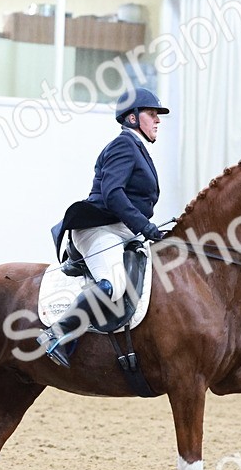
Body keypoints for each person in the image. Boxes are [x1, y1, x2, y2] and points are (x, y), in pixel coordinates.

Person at [38, 87, 170, 368]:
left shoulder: (138, 149)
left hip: (120, 230)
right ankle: (56, 334)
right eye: (151, 113)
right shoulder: (123, 145)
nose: (157, 119)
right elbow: (112, 193)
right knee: (112, 284)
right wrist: (144, 226)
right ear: (132, 118)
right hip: (98, 228)